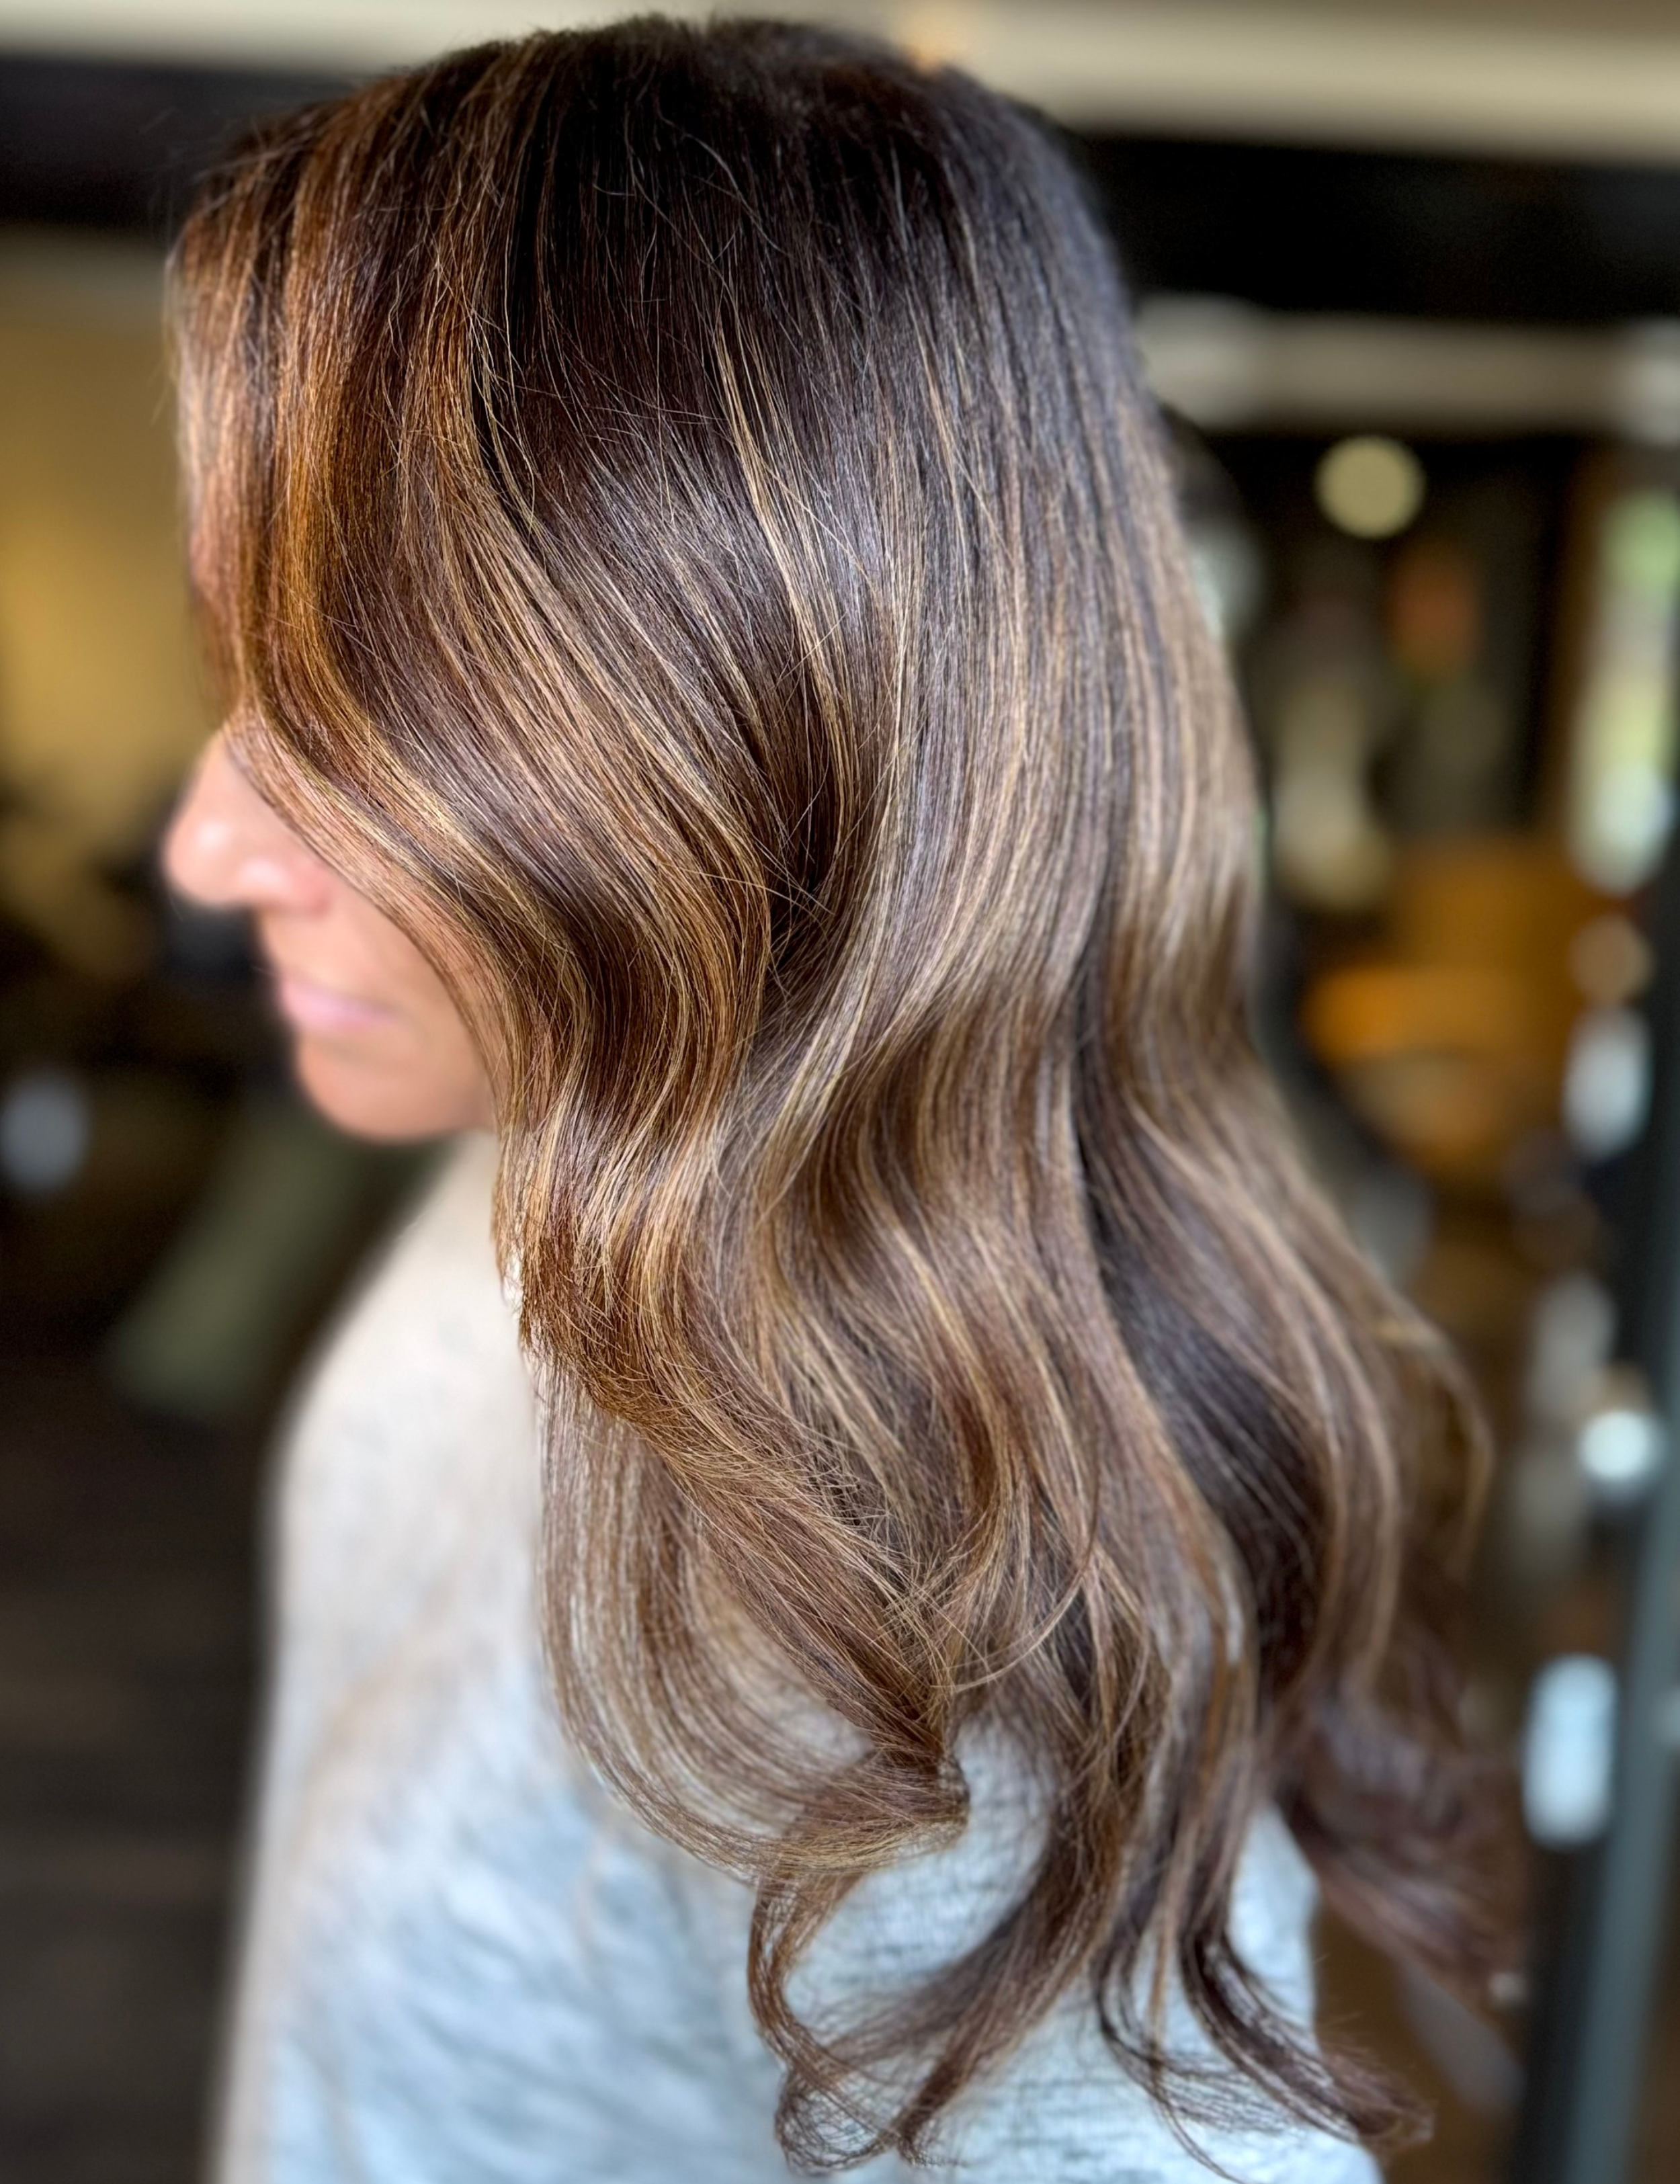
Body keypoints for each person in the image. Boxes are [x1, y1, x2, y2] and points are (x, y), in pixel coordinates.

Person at [160, 19, 1510, 2181]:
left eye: (344, 727)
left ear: (729, 738)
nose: (206, 855)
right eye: (244, 687)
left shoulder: (938, 1654)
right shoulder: (557, 1153)